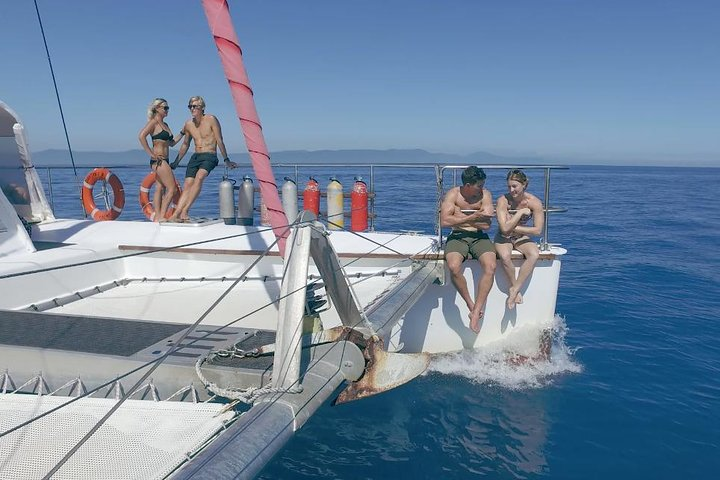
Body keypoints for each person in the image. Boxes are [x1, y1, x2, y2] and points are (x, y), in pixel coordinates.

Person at [439, 166, 497, 333]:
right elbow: (444, 222)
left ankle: (476, 310)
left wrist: (458, 216)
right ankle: (470, 304)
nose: (482, 187)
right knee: (454, 267)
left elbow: (486, 225)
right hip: (457, 237)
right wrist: (472, 216)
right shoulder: (453, 194)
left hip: (479, 237)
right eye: (479, 185)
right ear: (469, 185)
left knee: (491, 266)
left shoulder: (485, 195)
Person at [168, 96, 237, 222]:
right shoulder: (188, 124)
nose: (192, 109)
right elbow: (185, 144)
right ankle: (176, 214)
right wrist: (176, 162)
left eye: (195, 106)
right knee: (188, 184)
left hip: (209, 156)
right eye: (190, 106)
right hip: (196, 156)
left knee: (199, 177)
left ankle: (185, 210)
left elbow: (219, 140)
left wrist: (226, 159)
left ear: (202, 108)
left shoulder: (211, 119)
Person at [494, 169, 545, 310]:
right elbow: (504, 229)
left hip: (521, 236)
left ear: (524, 185)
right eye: (509, 186)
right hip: (503, 236)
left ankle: (514, 290)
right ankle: (514, 287)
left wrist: (514, 228)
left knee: (534, 254)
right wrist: (521, 213)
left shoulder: (534, 202)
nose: (511, 190)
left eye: (515, 186)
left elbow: (538, 230)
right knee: (505, 256)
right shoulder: (502, 201)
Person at [138, 98, 184, 222]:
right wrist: (151, 154)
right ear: (157, 109)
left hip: (165, 160)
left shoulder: (166, 125)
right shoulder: (153, 123)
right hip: (158, 160)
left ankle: (158, 216)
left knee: (159, 187)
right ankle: (162, 216)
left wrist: (182, 133)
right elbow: (141, 136)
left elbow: (171, 143)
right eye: (165, 108)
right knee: (172, 188)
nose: (167, 110)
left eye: (168, 108)